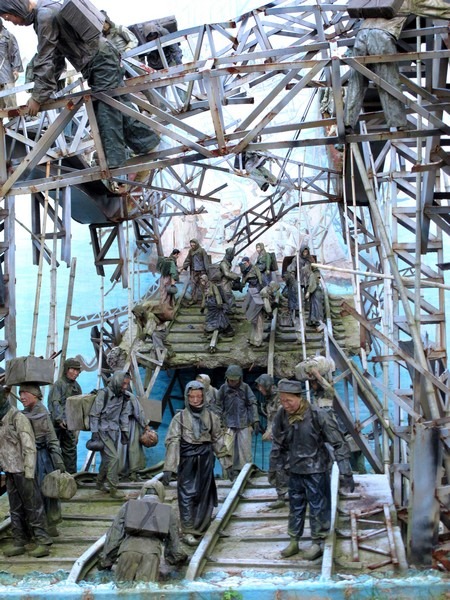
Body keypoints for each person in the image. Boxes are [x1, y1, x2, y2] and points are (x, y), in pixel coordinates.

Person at [0, 0, 160, 171]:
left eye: (10, 18)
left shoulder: (44, 16)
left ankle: (114, 168)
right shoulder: (48, 9)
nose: (14, 23)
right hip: (102, 59)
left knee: (106, 110)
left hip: (100, 62)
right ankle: (147, 144)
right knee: (117, 104)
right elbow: (56, 58)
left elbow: (46, 58)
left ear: (15, 8)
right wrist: (45, 91)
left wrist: (38, 97)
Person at [271, 378, 355, 560]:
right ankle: (294, 540)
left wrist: (346, 472)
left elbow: (339, 444)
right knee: (295, 506)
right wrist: (276, 470)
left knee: (318, 506)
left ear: (299, 398)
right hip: (294, 470)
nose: (286, 405)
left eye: (289, 401)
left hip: (316, 469)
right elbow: (278, 444)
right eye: (282, 401)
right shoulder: (281, 416)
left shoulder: (318, 414)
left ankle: (318, 541)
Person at [344, 0, 450, 133]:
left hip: (361, 36)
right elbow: (438, 8)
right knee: (388, 80)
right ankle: (397, 123)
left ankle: (348, 122)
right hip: (382, 36)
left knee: (357, 80)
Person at [162, 380, 231, 546]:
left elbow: (218, 440)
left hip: (206, 459)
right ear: (187, 397)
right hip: (187, 460)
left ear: (203, 397)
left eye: (198, 396)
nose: (195, 400)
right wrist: (169, 468)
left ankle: (201, 527)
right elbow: (173, 442)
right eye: (192, 397)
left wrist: (227, 465)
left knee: (204, 494)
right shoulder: (179, 418)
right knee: (187, 495)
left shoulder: (212, 417)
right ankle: (188, 530)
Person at [98, 478, 187, 581]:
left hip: (128, 551)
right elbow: (174, 542)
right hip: (151, 555)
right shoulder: (168, 511)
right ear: (161, 493)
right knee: (145, 590)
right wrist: (178, 559)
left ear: (143, 491)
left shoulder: (128, 506)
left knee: (122, 588)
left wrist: (106, 561)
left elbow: (115, 535)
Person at [0, 385, 52, 558]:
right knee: (15, 508)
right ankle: (19, 540)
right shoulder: (2, 417)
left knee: (33, 506)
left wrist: (29, 472)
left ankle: (43, 541)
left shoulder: (17, 417)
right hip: (9, 469)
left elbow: (29, 447)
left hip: (23, 470)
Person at [19, 383, 65, 538]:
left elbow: (52, 439)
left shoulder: (43, 414)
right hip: (28, 458)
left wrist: (58, 462)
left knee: (45, 492)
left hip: (42, 459)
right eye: (20, 393)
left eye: (25, 393)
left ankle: (49, 525)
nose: (21, 397)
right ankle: (33, 526)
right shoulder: (23, 413)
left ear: (35, 395)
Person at [89, 371, 132, 499]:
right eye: (123, 383)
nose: (125, 386)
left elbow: (124, 415)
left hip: (114, 432)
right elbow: (94, 414)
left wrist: (125, 431)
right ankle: (114, 488)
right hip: (103, 431)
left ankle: (99, 483)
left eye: (127, 384)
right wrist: (95, 432)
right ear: (117, 381)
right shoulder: (104, 393)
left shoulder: (124, 396)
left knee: (107, 459)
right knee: (114, 458)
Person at [213, 365, 260, 481]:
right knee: (227, 451)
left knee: (245, 450)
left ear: (240, 378)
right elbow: (217, 406)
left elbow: (252, 403)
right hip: (228, 425)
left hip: (244, 424)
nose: (232, 381)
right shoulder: (223, 389)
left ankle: (246, 474)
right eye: (230, 379)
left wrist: (255, 420)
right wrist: (217, 422)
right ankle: (227, 475)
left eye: (234, 379)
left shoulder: (245, 388)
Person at [255, 374, 288, 510]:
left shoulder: (280, 399)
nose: (260, 390)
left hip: (286, 439)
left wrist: (272, 431)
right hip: (277, 440)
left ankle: (284, 496)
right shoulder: (269, 400)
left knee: (283, 467)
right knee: (274, 470)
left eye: (262, 387)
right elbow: (271, 418)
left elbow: (282, 418)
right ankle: (281, 494)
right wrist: (269, 431)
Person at [47, 357, 82, 474]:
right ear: (67, 369)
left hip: (70, 426)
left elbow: (78, 406)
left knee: (70, 451)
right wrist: (60, 418)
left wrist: (76, 427)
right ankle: (53, 477)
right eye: (73, 370)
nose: (76, 373)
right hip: (56, 425)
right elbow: (54, 402)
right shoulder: (59, 385)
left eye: (78, 371)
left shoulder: (77, 387)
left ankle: (71, 477)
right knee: (53, 451)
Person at [119, 393, 158, 482]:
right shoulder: (129, 398)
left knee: (131, 451)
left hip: (128, 425)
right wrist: (145, 424)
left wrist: (145, 425)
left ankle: (130, 473)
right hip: (124, 426)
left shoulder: (131, 398)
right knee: (125, 451)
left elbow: (137, 410)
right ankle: (125, 474)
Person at [0, 16, 22, 109]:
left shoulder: (9, 36)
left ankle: (14, 122)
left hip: (6, 74)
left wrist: (16, 69)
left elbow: (15, 53)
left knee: (11, 104)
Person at [181, 238, 210, 305]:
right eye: (191, 245)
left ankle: (204, 300)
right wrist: (184, 267)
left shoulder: (202, 251)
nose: (192, 247)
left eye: (193, 245)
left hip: (202, 271)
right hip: (194, 271)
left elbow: (206, 261)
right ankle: (194, 299)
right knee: (193, 286)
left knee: (203, 286)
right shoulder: (191, 251)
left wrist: (207, 271)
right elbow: (188, 259)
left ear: (196, 244)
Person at [219, 247, 240, 312]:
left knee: (230, 297)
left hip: (227, 283)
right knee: (229, 296)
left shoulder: (227, 262)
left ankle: (231, 310)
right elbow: (226, 273)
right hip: (224, 283)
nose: (233, 257)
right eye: (232, 255)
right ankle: (232, 311)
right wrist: (235, 277)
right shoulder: (224, 263)